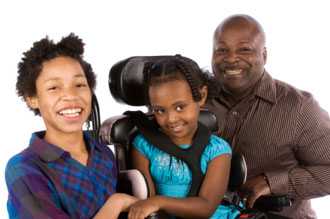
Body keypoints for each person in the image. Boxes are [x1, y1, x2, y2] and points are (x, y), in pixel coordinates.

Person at [205, 14, 330, 219]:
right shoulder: (193, 101)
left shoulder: (299, 108)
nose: (231, 58)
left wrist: (273, 182)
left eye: (244, 49)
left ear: (264, 55)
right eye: (221, 50)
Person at [5, 33, 137, 219]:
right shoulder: (24, 167)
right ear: (32, 98)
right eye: (54, 87)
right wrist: (116, 203)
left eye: (79, 85)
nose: (71, 95)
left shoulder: (103, 154)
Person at [127, 55, 239, 219]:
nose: (171, 119)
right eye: (160, 110)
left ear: (201, 96)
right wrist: (154, 203)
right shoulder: (144, 145)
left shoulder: (217, 150)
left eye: (179, 107)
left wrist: (160, 202)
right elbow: (147, 202)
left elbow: (206, 207)